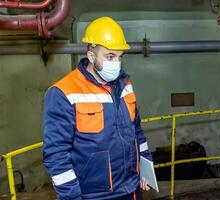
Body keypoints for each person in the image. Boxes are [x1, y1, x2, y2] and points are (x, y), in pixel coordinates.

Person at [42, 16, 152, 200]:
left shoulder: (125, 85)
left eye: (119, 57)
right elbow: (56, 154)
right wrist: (72, 197)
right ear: (91, 55)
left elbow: (137, 132)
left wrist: (146, 167)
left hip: (131, 190)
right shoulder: (63, 93)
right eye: (110, 56)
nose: (116, 63)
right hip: (93, 196)